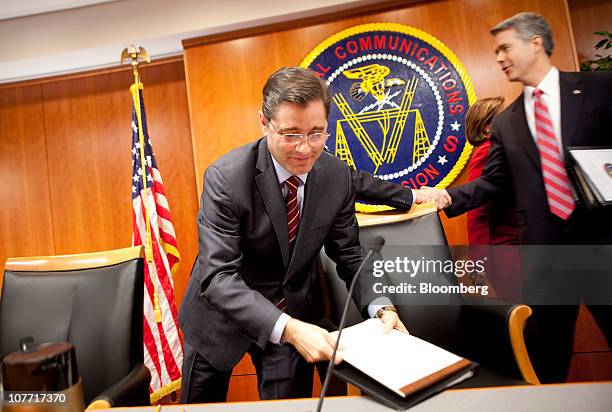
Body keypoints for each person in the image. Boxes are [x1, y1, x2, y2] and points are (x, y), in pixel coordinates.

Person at [179, 67, 439, 403]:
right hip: (218, 316)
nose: (304, 148)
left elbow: (351, 255)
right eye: (290, 134)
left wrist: (380, 307)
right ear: (263, 122)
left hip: (291, 312)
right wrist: (287, 326)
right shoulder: (226, 179)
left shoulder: (335, 176)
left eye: (317, 133)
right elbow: (217, 276)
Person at [433, 12, 612, 383]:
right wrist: (447, 197)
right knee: (546, 359)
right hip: (545, 257)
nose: (499, 57)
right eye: (495, 50)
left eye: (505, 47)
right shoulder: (506, 121)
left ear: (535, 43)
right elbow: (494, 182)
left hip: (603, 247)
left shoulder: (598, 87)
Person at [464, 97, 521, 300]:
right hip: (505, 252)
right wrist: (478, 261)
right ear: (486, 126)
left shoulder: (505, 149)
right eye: (503, 116)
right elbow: (478, 210)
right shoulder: (487, 151)